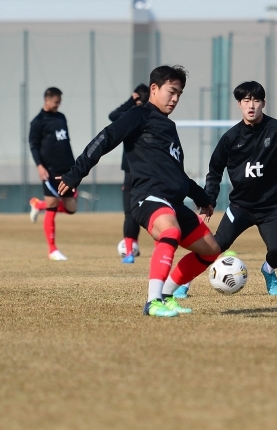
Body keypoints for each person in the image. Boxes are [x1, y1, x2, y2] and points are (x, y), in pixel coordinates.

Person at [58, 65, 222, 318]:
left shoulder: (168, 128)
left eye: (179, 93)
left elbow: (177, 174)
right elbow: (106, 137)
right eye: (171, 91)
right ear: (154, 89)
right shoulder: (140, 114)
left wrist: (201, 198)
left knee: (211, 249)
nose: (175, 98)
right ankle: (152, 301)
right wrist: (76, 172)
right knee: (170, 231)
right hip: (148, 196)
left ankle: (166, 295)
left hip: (173, 201)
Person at [203, 81, 277, 295]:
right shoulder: (230, 138)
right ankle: (183, 281)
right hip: (240, 207)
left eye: (256, 100)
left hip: (273, 208)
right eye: (246, 101)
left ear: (263, 103)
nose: (251, 105)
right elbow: (214, 170)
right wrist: (208, 201)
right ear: (239, 104)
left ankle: (268, 270)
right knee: (216, 245)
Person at [28, 87, 78, 261]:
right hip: (50, 170)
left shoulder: (61, 117)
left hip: (68, 169)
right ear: (47, 100)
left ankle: (37, 204)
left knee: (71, 208)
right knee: (52, 206)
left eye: (59, 102)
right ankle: (52, 250)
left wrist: (75, 166)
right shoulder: (38, 122)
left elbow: (65, 142)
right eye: (56, 102)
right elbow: (33, 146)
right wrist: (39, 166)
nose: (58, 105)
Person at [109, 84, 150, 264]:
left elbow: (113, 115)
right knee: (130, 214)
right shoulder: (130, 118)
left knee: (154, 211)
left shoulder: (150, 117)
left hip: (148, 172)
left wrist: (131, 101)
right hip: (130, 172)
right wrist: (131, 102)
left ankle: (158, 249)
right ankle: (129, 252)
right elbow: (113, 117)